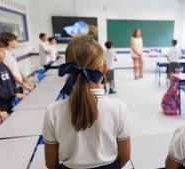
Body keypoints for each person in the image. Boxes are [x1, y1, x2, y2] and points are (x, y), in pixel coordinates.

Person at [42, 36, 131, 169]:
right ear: (104, 69)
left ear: (68, 68)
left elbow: (51, 163)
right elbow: (124, 157)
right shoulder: (119, 108)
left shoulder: (52, 111)